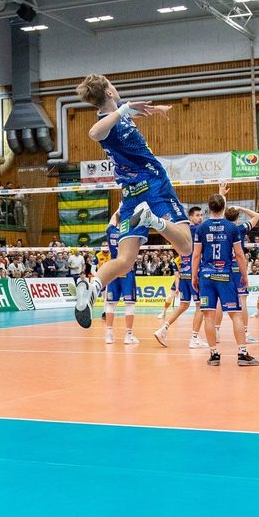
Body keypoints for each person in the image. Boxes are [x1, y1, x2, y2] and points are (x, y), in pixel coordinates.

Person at [73, 75, 192, 328]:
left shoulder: (119, 111)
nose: (115, 87)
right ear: (108, 92)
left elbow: (126, 114)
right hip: (154, 184)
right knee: (186, 247)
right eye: (111, 85)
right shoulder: (107, 121)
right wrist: (126, 108)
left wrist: (152, 110)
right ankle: (153, 220)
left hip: (130, 195)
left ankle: (91, 290)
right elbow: (94, 133)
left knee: (125, 262)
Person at [191, 193, 259, 366]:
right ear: (223, 207)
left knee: (208, 316)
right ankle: (242, 354)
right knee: (235, 314)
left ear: (209, 208)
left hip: (206, 276)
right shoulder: (232, 228)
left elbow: (196, 255)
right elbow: (239, 254)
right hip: (225, 275)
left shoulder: (201, 228)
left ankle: (214, 355)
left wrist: (194, 277)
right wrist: (244, 275)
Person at [154, 205, 206, 349]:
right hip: (195, 274)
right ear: (190, 217)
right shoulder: (199, 229)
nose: (200, 218)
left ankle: (163, 329)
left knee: (183, 305)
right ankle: (194, 338)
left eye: (201, 215)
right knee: (200, 306)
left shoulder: (182, 231)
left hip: (184, 274)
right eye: (197, 215)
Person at [214, 189, 259, 344]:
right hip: (237, 268)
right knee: (242, 301)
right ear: (237, 217)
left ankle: (216, 332)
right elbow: (256, 216)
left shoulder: (220, 227)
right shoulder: (240, 229)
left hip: (223, 268)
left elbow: (219, 213)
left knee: (220, 301)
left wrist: (222, 195)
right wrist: (240, 208)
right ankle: (245, 334)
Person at [103, 211, 138, 345]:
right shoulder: (131, 232)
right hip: (127, 270)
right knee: (129, 304)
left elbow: (113, 219)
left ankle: (108, 335)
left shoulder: (111, 231)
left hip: (113, 271)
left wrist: (119, 209)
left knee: (111, 304)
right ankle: (128, 336)